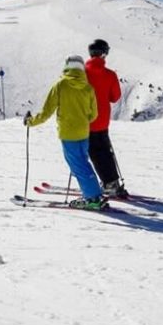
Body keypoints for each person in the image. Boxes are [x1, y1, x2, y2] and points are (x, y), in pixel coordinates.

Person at [24, 55, 106, 210]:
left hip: (68, 133)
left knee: (78, 166)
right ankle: (94, 193)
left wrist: (30, 121)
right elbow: (94, 114)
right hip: (84, 133)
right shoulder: (88, 88)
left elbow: (46, 112)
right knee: (83, 163)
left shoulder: (61, 85)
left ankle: (92, 198)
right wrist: (82, 119)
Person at [84, 39, 127, 197]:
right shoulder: (110, 74)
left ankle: (109, 184)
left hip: (86, 120)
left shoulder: (82, 73)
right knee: (105, 151)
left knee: (94, 153)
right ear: (103, 54)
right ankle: (112, 182)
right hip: (103, 120)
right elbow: (115, 97)